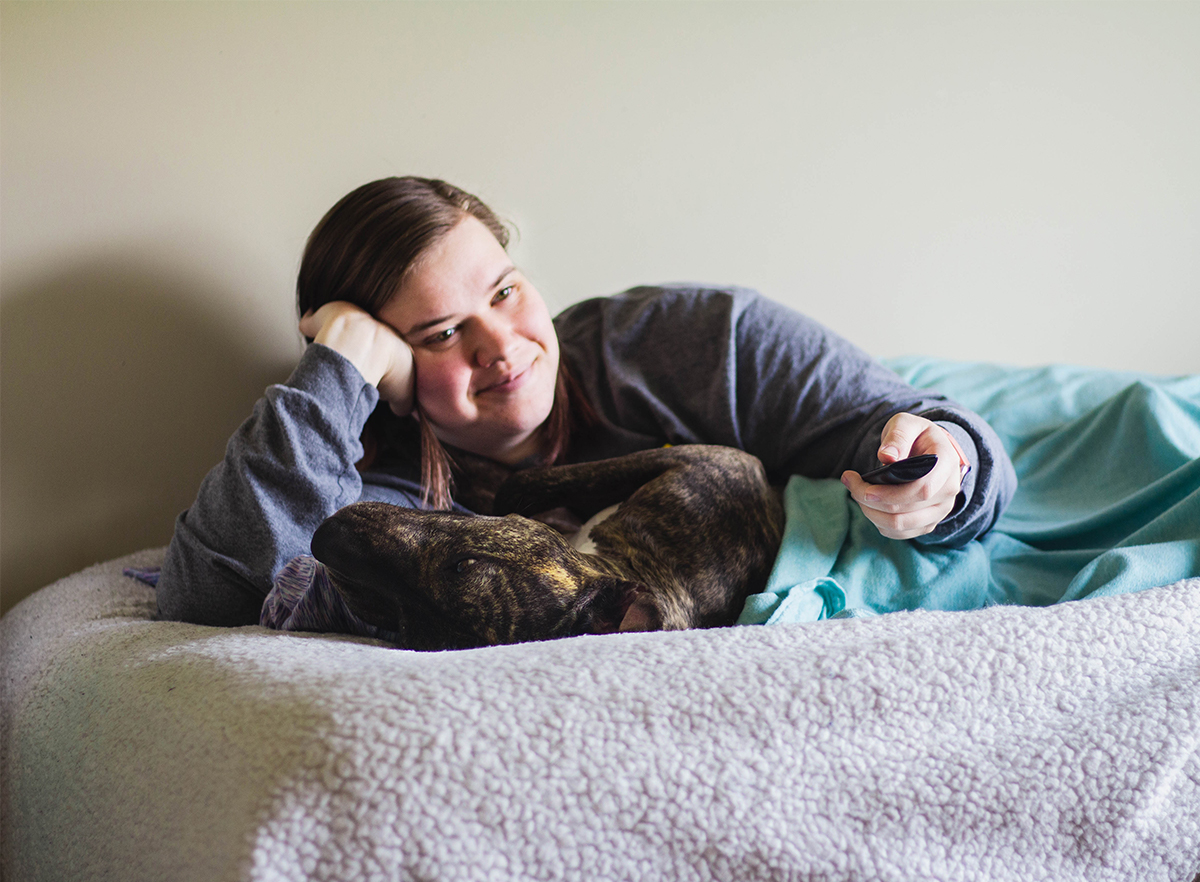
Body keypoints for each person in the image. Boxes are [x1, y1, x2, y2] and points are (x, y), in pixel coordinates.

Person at [157, 176, 1017, 632]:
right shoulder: (380, 491)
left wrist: (940, 467)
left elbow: (904, 420)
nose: (501, 346)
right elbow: (214, 596)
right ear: (385, 370)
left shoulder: (688, 342)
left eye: (504, 290)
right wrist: (335, 369)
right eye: (441, 334)